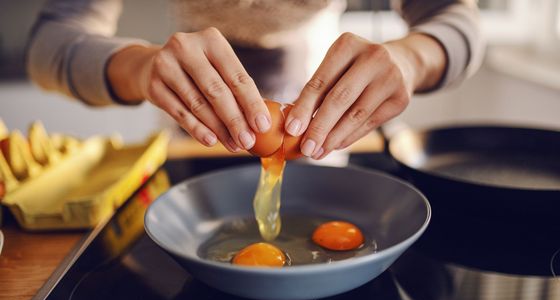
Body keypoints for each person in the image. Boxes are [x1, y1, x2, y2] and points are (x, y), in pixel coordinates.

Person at [27, 0, 482, 160]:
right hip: (194, 130)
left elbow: (458, 20)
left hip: (329, 126)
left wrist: (409, 60)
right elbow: (47, 45)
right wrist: (140, 68)